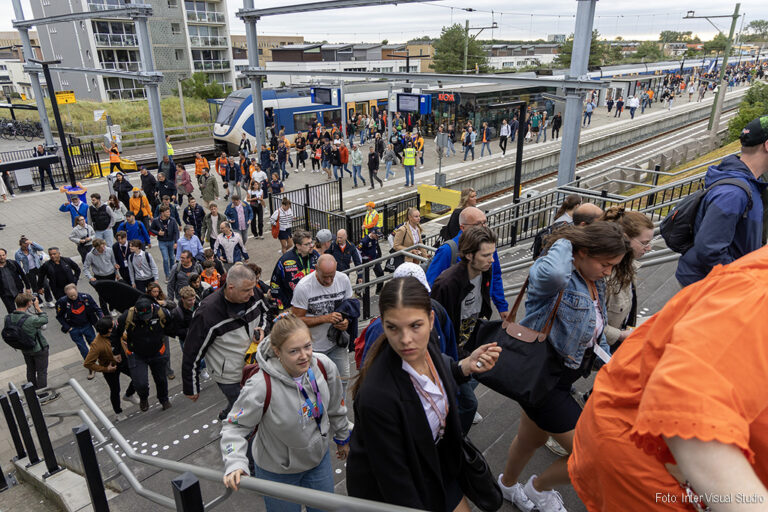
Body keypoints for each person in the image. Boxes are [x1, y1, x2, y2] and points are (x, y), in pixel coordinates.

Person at [570, 244, 768, 511]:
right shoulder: (756, 293)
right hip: (648, 463)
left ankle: (534, 485)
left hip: (635, 437)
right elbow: (685, 404)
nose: (608, 271)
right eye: (605, 264)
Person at [497, 222, 629, 512]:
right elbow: (554, 272)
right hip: (545, 382)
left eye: (613, 265)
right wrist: (568, 239)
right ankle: (539, 489)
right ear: (582, 252)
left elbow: (596, 330)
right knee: (591, 454)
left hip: (556, 379)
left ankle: (507, 484)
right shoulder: (557, 279)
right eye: (605, 264)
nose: (608, 272)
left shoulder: (593, 280)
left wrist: (612, 366)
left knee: (531, 439)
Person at [346, 277, 501, 511]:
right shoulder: (376, 397)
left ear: (431, 320)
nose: (405, 339)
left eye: (415, 325)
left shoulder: (427, 346)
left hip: (435, 460)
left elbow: (439, 370)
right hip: (406, 483)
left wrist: (464, 367)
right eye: (393, 328)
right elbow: (395, 482)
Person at [221, 313, 350, 511]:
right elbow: (234, 427)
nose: (304, 356)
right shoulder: (260, 385)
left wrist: (342, 437)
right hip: (277, 472)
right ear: (277, 351)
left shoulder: (323, 365)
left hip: (318, 461)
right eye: (294, 351)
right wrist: (235, 462)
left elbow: (335, 407)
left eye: (307, 346)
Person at [676, 115, 768, 287]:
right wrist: (743, 279)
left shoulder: (749, 183)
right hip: (710, 289)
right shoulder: (733, 194)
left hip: (717, 283)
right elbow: (710, 249)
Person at [182, 264, 268, 419]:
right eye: (246, 290)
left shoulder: (253, 292)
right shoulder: (207, 313)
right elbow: (192, 351)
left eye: (252, 288)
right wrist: (191, 387)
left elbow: (266, 313)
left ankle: (229, 413)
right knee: (246, 411)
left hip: (256, 365)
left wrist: (262, 328)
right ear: (231, 287)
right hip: (231, 377)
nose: (252, 293)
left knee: (250, 404)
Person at [426, 207, 509, 321]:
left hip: (477, 315)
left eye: (484, 222)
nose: (483, 227)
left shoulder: (487, 247)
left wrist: (502, 306)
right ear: (462, 227)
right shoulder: (448, 250)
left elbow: (495, 275)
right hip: (453, 317)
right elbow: (431, 285)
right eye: (477, 224)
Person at [291, 255, 353, 395]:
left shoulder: (343, 279)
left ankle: (340, 407)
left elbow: (349, 308)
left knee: (342, 379)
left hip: (337, 343)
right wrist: (325, 318)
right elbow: (296, 320)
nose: (329, 280)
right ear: (316, 269)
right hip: (313, 348)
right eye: (325, 276)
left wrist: (346, 322)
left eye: (332, 276)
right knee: (317, 386)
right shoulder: (304, 287)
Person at [600, 207, 653, 353]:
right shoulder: (604, 275)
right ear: (625, 238)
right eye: (644, 243)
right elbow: (589, 323)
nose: (648, 248)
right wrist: (620, 335)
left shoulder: (627, 266)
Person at [111, 296, 175, 412]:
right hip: (137, 354)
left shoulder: (161, 312)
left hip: (157, 351)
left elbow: (171, 323)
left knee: (161, 379)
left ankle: (164, 399)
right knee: (140, 383)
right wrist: (116, 352)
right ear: (136, 310)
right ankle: (143, 398)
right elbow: (115, 334)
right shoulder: (126, 317)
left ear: (152, 307)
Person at [8, 293, 59, 404]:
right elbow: (44, 319)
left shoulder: (9, 317)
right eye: (31, 301)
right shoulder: (30, 319)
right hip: (38, 348)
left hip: (24, 349)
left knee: (30, 370)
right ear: (28, 303)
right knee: (41, 372)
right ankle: (43, 396)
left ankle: (33, 392)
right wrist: (37, 307)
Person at [84, 317, 137, 422]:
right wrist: (105, 369)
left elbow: (124, 337)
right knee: (115, 390)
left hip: (123, 361)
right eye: (113, 325)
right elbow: (88, 363)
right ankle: (118, 412)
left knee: (137, 377)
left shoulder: (115, 332)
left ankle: (129, 394)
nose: (116, 325)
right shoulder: (97, 345)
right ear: (109, 330)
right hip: (110, 368)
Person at [55, 284, 103, 377]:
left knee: (94, 344)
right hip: (74, 329)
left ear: (77, 291)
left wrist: (101, 319)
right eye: (70, 296)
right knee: (83, 348)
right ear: (66, 294)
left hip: (87, 325)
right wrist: (68, 328)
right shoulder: (62, 302)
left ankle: (101, 360)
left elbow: (97, 309)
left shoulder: (86, 297)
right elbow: (59, 316)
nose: (73, 297)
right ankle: (91, 367)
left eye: (74, 295)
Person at [270, 230, 317, 311]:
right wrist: (286, 306)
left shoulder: (315, 255)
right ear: (298, 246)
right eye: (307, 244)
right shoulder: (285, 260)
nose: (311, 245)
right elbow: (275, 285)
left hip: (312, 303)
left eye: (311, 242)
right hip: (293, 306)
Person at [83, 238, 119, 313]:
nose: (103, 249)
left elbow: (113, 261)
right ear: (95, 247)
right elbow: (85, 268)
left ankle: (112, 309)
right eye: (100, 248)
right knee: (102, 296)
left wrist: (116, 273)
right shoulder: (90, 255)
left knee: (112, 293)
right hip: (99, 277)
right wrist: (90, 277)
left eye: (103, 246)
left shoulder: (109, 250)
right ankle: (105, 313)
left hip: (111, 275)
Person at [15, 237, 54, 307]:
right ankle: (39, 301)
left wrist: (32, 243)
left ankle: (49, 301)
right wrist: (20, 276)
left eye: (27, 245)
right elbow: (18, 266)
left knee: (46, 285)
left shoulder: (32, 247)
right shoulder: (18, 254)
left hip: (38, 267)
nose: (26, 248)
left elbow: (41, 248)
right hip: (29, 271)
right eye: (24, 246)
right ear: (21, 245)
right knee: (34, 287)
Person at [150, 205, 181, 280]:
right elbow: (151, 229)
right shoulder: (156, 220)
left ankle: (172, 273)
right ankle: (167, 275)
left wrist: (176, 242)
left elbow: (176, 232)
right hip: (162, 242)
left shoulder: (172, 220)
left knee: (172, 258)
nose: (169, 213)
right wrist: (158, 233)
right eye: (167, 212)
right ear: (162, 213)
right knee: (166, 259)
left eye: (169, 212)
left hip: (171, 241)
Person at [0, 248, 31, 314]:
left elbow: (23, 275)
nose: (2, 257)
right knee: (12, 312)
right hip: (6, 295)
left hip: (18, 292)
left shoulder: (13, 263)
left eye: (3, 255)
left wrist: (28, 287)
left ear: (6, 255)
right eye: (0, 256)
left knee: (23, 310)